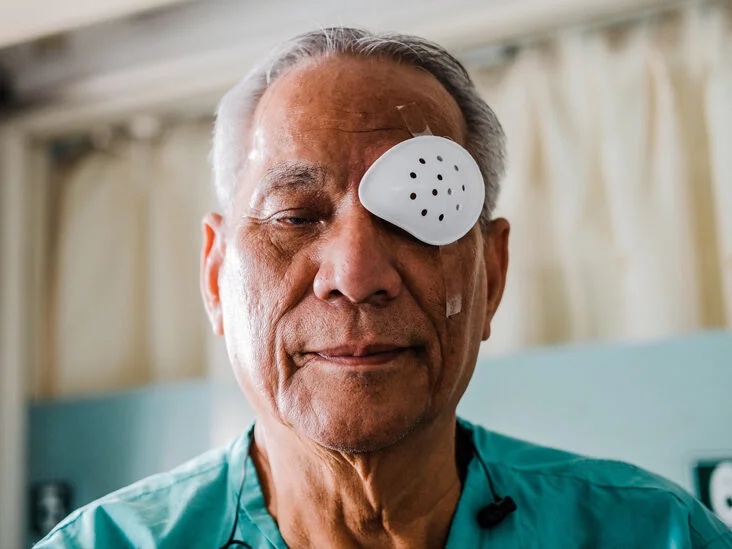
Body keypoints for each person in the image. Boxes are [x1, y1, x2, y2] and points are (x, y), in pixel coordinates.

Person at [36, 27, 731, 549]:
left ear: (491, 273)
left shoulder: (655, 532)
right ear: (217, 277)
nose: (357, 275)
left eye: (422, 215)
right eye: (296, 216)